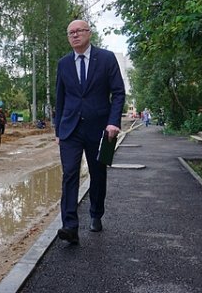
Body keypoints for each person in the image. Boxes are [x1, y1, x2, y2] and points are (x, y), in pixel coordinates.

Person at [54, 20, 125, 244]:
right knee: (70, 174)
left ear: (89, 33)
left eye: (79, 31)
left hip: (100, 128)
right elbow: (60, 98)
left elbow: (118, 92)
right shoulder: (63, 63)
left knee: (98, 173)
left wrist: (113, 122)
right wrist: (58, 130)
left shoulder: (106, 58)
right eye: (70, 33)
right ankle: (70, 226)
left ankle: (96, 213)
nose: (74, 35)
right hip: (70, 129)